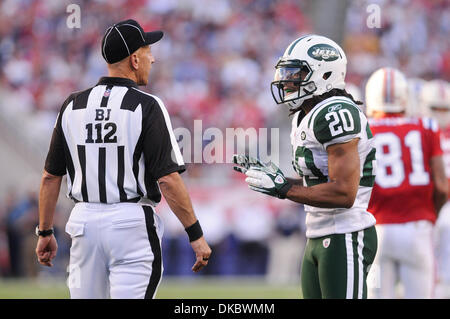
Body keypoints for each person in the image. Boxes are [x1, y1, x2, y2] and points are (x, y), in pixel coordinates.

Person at [35, 19, 211, 299]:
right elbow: (167, 178)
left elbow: (50, 176)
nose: (152, 57)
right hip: (131, 223)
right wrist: (195, 234)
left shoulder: (72, 105)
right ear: (134, 59)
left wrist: (44, 231)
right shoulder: (147, 105)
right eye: (147, 51)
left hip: (83, 223)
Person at [233, 34, 378, 299]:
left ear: (324, 74)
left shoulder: (335, 112)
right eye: (286, 73)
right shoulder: (306, 113)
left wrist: (284, 189)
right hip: (318, 234)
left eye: (295, 73)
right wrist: (275, 179)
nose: (286, 81)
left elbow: (344, 193)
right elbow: (316, 183)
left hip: (345, 232)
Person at [365, 69, 448, 299]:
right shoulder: (427, 126)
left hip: (375, 230)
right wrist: (431, 213)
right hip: (417, 229)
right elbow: (442, 186)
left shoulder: (363, 129)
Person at [421, 79, 450, 298]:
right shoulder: (419, 131)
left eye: (444, 108)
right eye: (435, 108)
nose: (440, 113)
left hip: (437, 205)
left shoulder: (419, 131)